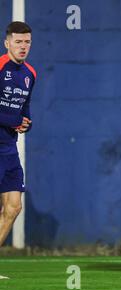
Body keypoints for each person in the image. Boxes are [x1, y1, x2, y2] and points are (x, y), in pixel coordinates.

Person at [0, 22, 36, 247]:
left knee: (13, 206)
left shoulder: (30, 73)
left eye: (27, 42)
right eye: (18, 42)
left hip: (8, 148)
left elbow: (25, 107)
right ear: (7, 43)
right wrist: (14, 121)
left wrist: (27, 123)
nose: (23, 46)